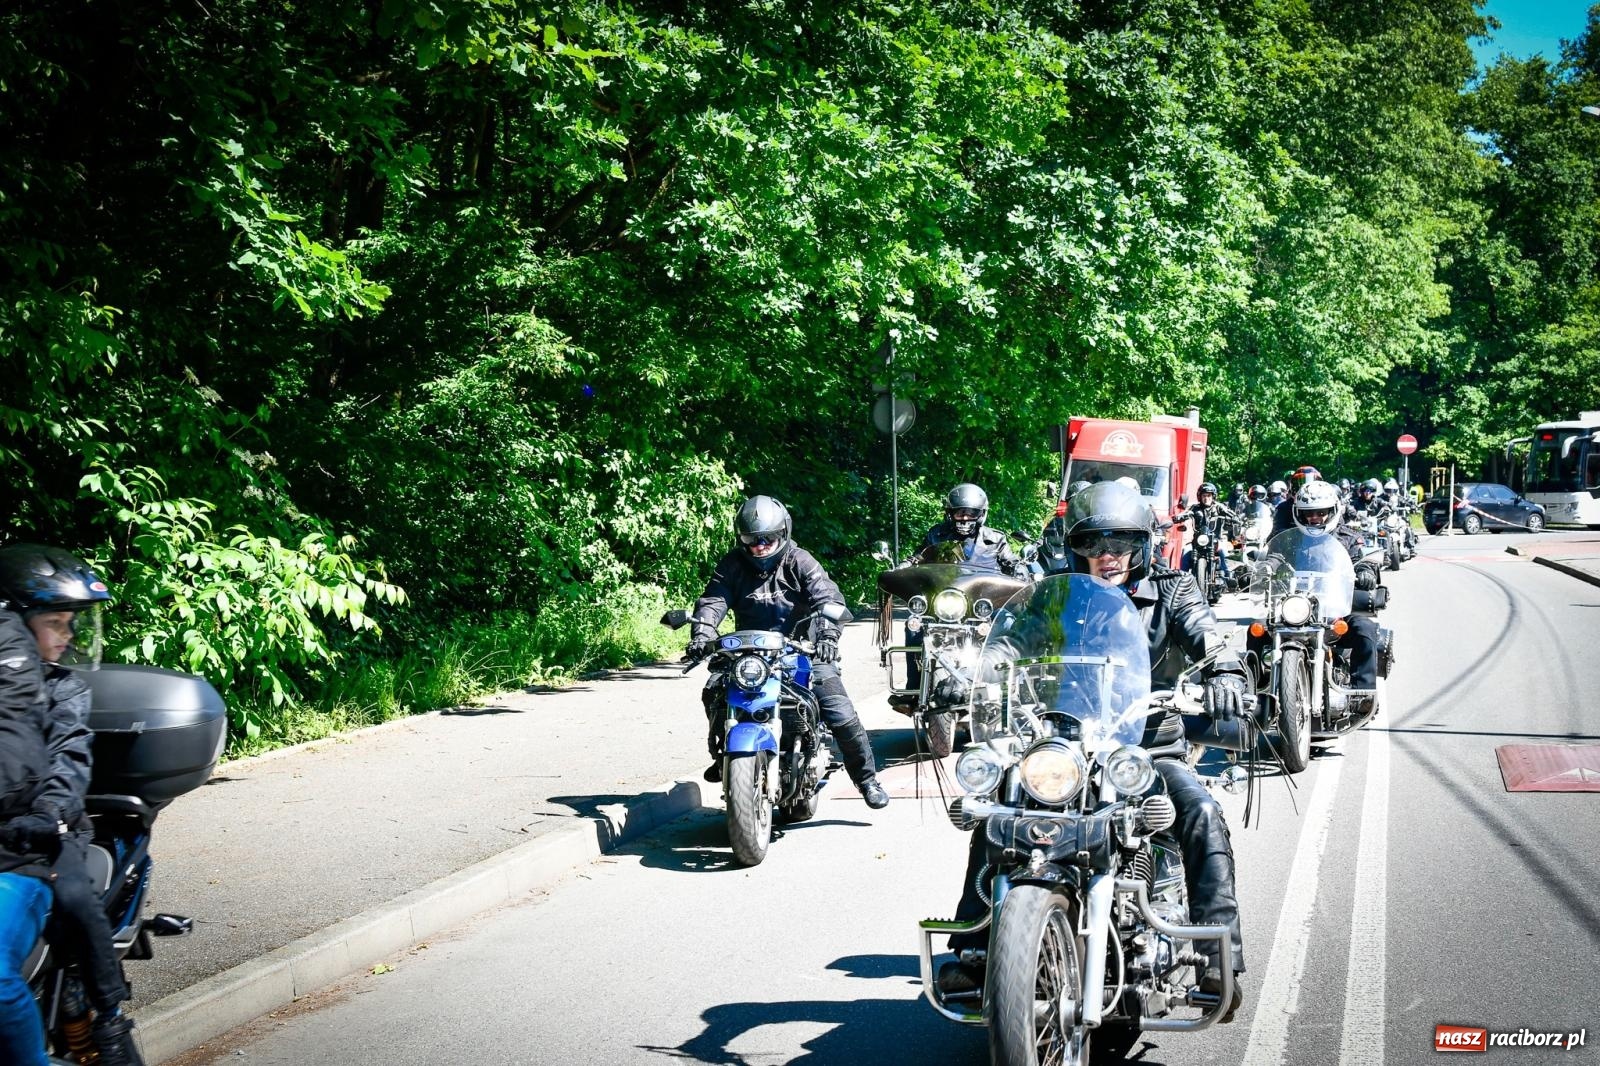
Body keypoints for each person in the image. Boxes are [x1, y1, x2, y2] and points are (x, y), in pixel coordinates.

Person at [938, 482, 1251, 1021]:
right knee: (1000, 810)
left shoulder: (1173, 591)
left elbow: (1207, 632)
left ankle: (1217, 956)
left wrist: (1223, 666)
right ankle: (975, 942)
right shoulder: (1054, 595)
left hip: (1145, 747)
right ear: (1075, 544)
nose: (1108, 555)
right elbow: (1010, 641)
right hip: (1063, 743)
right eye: (1095, 541)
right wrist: (965, 676)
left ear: (1142, 544)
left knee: (1199, 809)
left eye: (1122, 542)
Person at [0, 545, 145, 1066]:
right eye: (55, 623)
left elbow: (69, 759)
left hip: (46, 833)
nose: (67, 636)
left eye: (70, 624)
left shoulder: (64, 691)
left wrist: (51, 811)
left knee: (75, 901)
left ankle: (109, 1016)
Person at [687, 496, 889, 809]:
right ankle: (724, 756)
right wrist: (702, 633)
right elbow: (713, 601)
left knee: (840, 711)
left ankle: (867, 780)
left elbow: (827, 599)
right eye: (751, 540)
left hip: (802, 652)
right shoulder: (732, 565)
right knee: (714, 690)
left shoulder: (800, 561)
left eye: (766, 539)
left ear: (783, 533)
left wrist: (827, 636)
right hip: (749, 655)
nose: (759, 546)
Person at [0, 562, 55, 1066]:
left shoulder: (25, 678)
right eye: (56, 623)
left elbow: (21, 763)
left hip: (19, 852)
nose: (67, 636)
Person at [1282, 482, 1382, 703]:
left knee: (1365, 629)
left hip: (1337, 608)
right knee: (1257, 630)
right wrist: (1264, 567)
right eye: (1308, 513)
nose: (1314, 518)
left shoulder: (1349, 537)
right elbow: (1277, 557)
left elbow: (1362, 560)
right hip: (1298, 608)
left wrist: (1365, 571)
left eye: (1321, 512)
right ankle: (1257, 693)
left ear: (1332, 511)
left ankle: (1362, 695)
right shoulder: (1292, 538)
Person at [908, 484, 1020, 576]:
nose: (965, 518)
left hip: (985, 594)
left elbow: (1011, 560)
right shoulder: (937, 534)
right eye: (959, 513)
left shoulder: (996, 539)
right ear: (950, 514)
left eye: (971, 513)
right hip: (943, 592)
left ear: (981, 514)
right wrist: (905, 565)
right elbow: (919, 557)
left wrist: (1019, 569)